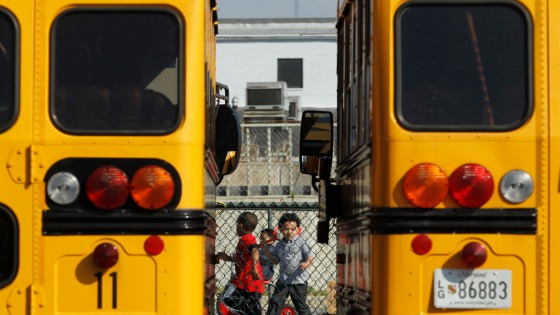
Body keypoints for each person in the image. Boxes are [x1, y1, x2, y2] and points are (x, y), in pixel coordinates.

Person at [261, 213, 315, 315]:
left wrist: (307, 263)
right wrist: (266, 251)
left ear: (298, 229)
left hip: (299, 281)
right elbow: (275, 261)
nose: (289, 232)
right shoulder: (279, 244)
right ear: (280, 229)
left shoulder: (300, 242)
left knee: (301, 307)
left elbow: (311, 256)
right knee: (275, 303)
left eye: (293, 229)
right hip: (283, 280)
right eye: (286, 229)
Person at [218, 212, 264, 315]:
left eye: (236, 225)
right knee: (252, 309)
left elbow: (255, 250)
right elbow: (243, 259)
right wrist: (228, 258)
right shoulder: (244, 240)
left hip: (249, 279)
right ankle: (251, 308)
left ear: (241, 225)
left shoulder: (247, 238)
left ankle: (250, 307)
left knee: (226, 297)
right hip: (248, 281)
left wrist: (254, 269)